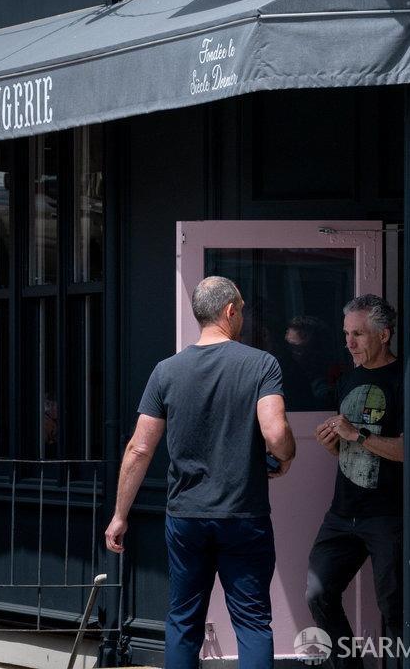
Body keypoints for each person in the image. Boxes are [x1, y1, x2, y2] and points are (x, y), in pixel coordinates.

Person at [104, 276, 296, 669]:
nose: (242, 314)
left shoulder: (166, 371)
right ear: (229, 311)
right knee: (253, 621)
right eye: (241, 308)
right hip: (244, 515)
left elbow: (139, 448)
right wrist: (286, 456)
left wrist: (120, 514)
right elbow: (276, 435)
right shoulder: (261, 364)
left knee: (183, 621)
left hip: (187, 516)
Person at [305, 295, 404, 669]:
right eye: (347, 333)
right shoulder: (348, 378)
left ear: (384, 335)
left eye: (358, 334)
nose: (349, 342)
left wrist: (357, 434)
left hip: (387, 515)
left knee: (394, 607)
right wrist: (333, 444)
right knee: (318, 592)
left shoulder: (405, 377)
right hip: (342, 512)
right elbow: (349, 451)